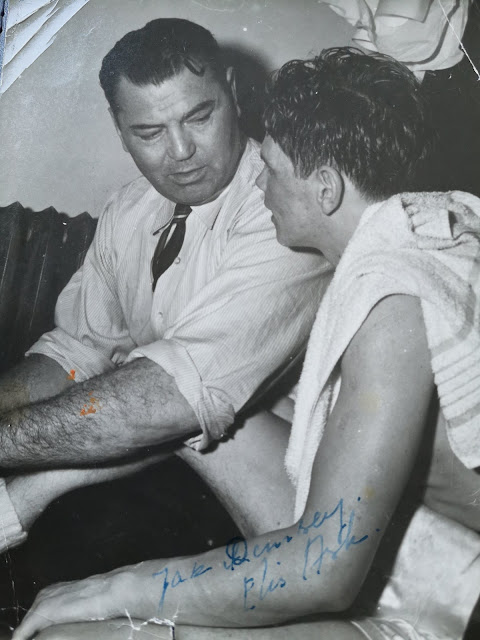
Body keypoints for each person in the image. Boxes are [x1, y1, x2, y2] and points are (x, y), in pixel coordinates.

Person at [14, 47, 480, 640]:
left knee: (74, 634)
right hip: (432, 552)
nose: (259, 180)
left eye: (274, 170)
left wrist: (114, 588)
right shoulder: (422, 236)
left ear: (327, 190)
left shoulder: (391, 301)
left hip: (453, 595)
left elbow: (324, 569)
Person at [0, 19, 329, 578]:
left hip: (296, 506)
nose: (181, 152)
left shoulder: (285, 208)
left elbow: (174, 398)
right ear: (119, 127)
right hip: (167, 467)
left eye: (199, 117)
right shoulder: (130, 208)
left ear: (233, 91)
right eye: (149, 132)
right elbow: (78, 351)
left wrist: (22, 487)